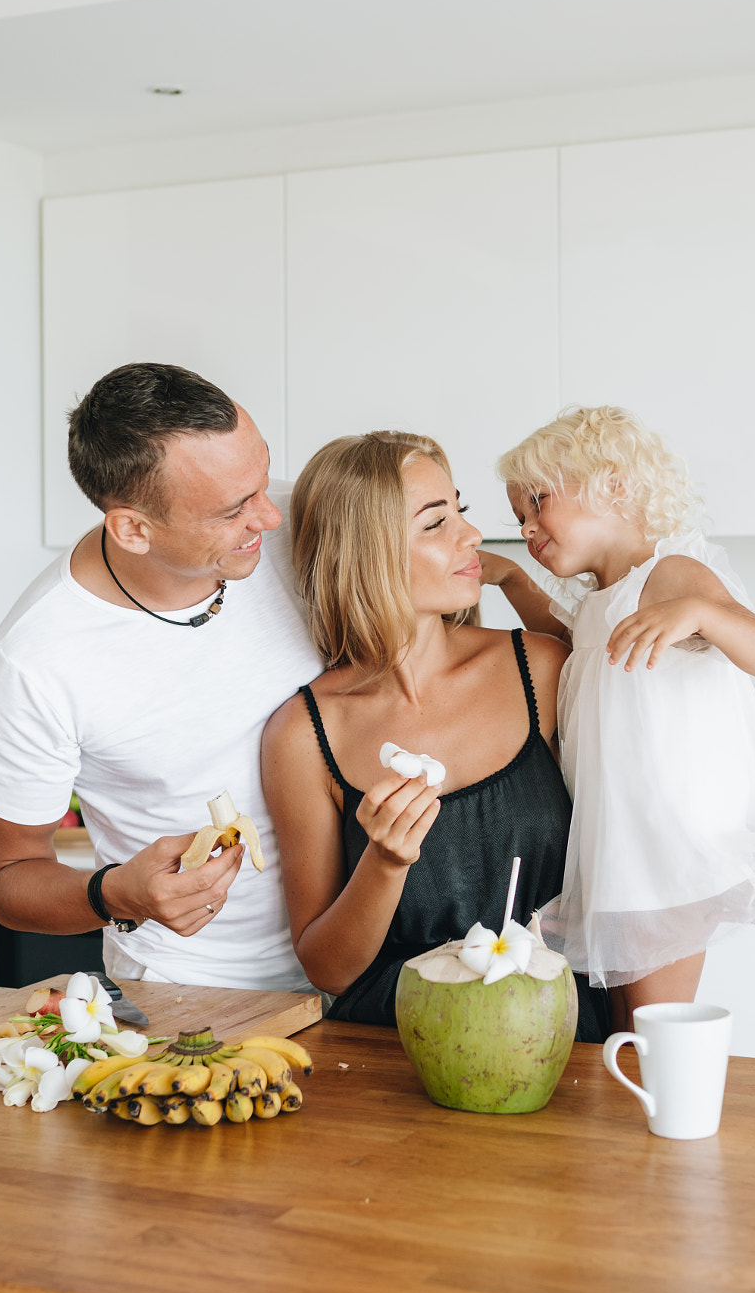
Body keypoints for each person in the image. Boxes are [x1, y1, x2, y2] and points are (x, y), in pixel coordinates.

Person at [483, 405, 755, 1029]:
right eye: (519, 517)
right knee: (629, 1033)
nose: (529, 526)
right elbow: (574, 643)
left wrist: (701, 616)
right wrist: (513, 579)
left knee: (655, 1035)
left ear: (614, 485)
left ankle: (672, 1121)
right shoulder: (604, 602)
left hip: (666, 849)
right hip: (618, 846)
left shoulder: (672, 574)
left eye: (540, 501)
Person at [0, 363, 321, 990]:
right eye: (233, 509)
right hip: (190, 985)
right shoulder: (33, 663)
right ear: (132, 528)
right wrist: (117, 894)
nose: (270, 518)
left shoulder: (306, 521)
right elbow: (10, 880)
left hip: (367, 957)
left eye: (264, 480)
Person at [261, 430, 611, 1040]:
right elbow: (330, 970)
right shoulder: (302, 734)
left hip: (558, 1040)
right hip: (390, 1053)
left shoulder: (544, 669)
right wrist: (385, 863)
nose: (471, 536)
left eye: (461, 512)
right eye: (434, 523)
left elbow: (640, 826)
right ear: (362, 553)